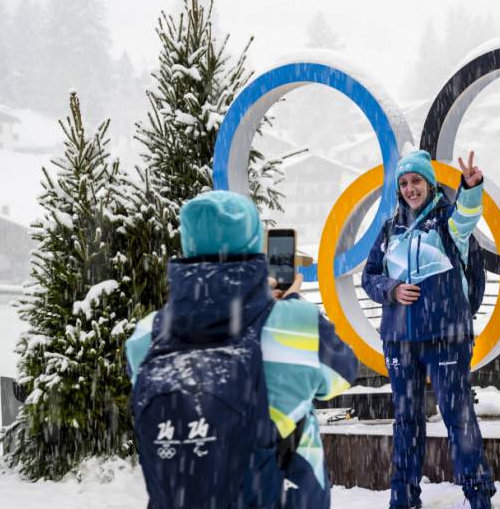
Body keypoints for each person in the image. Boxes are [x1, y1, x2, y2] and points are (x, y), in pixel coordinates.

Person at [126, 190, 359, 509]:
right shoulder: (294, 324)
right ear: (252, 243)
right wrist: (288, 304)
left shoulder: (146, 335)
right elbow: (342, 375)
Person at [362, 149, 496, 509]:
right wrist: (391, 290)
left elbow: (468, 216)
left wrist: (470, 188)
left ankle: (478, 494)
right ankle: (403, 497)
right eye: (404, 183)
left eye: (416, 181)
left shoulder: (447, 223)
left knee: (458, 416)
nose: (410, 189)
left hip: (445, 338)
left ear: (429, 183)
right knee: (406, 421)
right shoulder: (391, 228)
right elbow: (369, 276)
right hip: (399, 342)